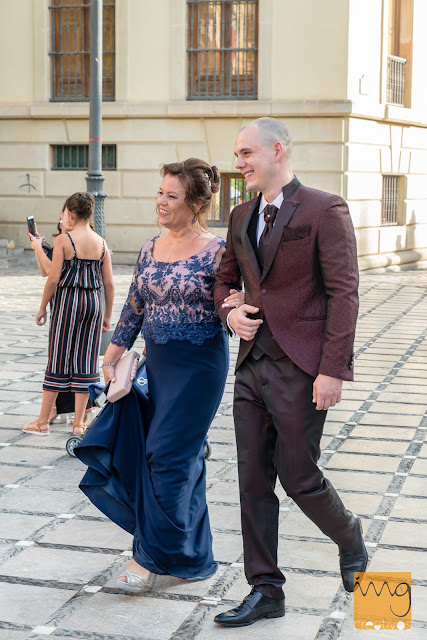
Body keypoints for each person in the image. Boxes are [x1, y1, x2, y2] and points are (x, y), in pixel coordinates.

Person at [213, 118, 367, 628]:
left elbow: (344, 293)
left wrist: (332, 370)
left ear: (276, 150)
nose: (238, 163)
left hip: (302, 367)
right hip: (252, 366)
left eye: (245, 153)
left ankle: (349, 536)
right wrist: (229, 313)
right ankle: (266, 589)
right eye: (236, 155)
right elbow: (225, 281)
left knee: (299, 477)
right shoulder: (238, 215)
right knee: (253, 480)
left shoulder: (325, 208)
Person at [75, 158, 244, 592]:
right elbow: (134, 307)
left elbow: (231, 306)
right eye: (160, 193)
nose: (161, 203)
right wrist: (111, 359)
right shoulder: (150, 247)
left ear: (197, 203)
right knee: (175, 457)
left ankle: (146, 559)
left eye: (172, 196)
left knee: (165, 455)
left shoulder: (219, 251)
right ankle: (189, 553)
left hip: (200, 367)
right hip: (157, 366)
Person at [22, 192, 114, 436]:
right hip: (94, 303)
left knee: (58, 358)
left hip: (68, 302)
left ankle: (43, 421)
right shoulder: (101, 242)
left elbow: (53, 279)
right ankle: (78, 424)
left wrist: (42, 308)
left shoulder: (65, 240)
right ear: (90, 213)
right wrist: (107, 316)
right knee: (85, 361)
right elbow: (110, 284)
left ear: (70, 214)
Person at [27, 210, 95, 424]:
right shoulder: (61, 242)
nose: (61, 220)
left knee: (67, 360)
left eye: (63, 216)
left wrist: (39, 247)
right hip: (70, 306)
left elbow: (53, 275)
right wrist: (38, 247)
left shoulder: (76, 242)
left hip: (67, 306)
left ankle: (54, 417)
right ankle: (71, 415)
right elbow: (44, 272)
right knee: (75, 359)